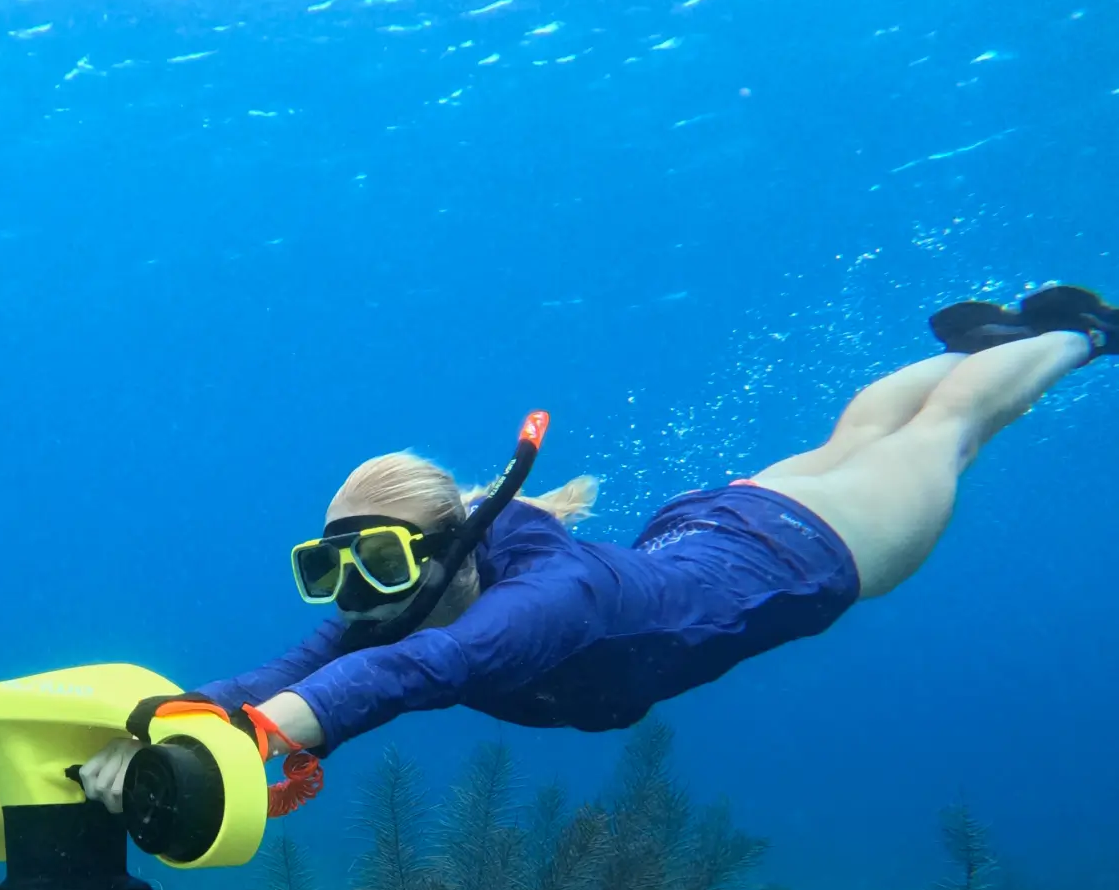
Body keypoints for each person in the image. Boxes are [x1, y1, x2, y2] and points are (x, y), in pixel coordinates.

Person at [79, 285, 1116, 808]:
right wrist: (168, 718)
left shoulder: (544, 600)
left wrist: (260, 741)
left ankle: (1079, 333)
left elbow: (422, 669)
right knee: (854, 438)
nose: (359, 595)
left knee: (947, 432)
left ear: (455, 550)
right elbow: (310, 663)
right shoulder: (418, 593)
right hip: (710, 527)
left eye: (382, 566)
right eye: (335, 568)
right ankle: (983, 346)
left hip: (817, 554)